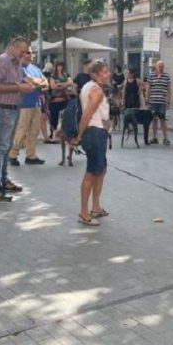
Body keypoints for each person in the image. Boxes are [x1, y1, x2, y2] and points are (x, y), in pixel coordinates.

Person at [0, 37, 33, 202]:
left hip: (14, 108)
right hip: (4, 109)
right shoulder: (2, 61)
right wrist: (18, 87)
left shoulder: (17, 62)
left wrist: (25, 83)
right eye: (23, 51)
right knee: (1, 147)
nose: (25, 54)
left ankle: (4, 179)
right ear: (13, 47)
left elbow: (15, 80)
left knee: (7, 147)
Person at [73, 61, 111, 226]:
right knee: (92, 172)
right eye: (104, 72)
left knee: (100, 170)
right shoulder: (97, 91)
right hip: (95, 132)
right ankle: (84, 212)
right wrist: (78, 135)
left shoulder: (87, 86)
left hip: (97, 132)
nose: (108, 74)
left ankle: (95, 207)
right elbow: (86, 115)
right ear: (96, 74)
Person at [9, 49, 47, 166]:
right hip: (24, 104)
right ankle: (12, 154)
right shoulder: (19, 68)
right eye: (28, 53)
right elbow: (30, 81)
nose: (31, 55)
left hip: (36, 103)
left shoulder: (36, 69)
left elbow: (46, 83)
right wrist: (39, 83)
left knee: (34, 131)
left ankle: (31, 155)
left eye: (32, 53)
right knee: (21, 130)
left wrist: (38, 83)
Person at [147, 60, 172, 145]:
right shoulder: (151, 76)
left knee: (163, 119)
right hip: (153, 101)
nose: (161, 68)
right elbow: (148, 88)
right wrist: (147, 100)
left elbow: (169, 89)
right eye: (159, 66)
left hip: (162, 102)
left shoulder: (166, 76)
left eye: (162, 66)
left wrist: (168, 101)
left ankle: (165, 138)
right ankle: (154, 137)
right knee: (154, 119)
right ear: (156, 67)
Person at [49, 61, 73, 137]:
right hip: (55, 98)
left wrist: (60, 84)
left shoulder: (66, 75)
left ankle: (64, 132)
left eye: (61, 66)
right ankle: (53, 132)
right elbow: (53, 86)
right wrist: (65, 85)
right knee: (54, 116)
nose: (60, 67)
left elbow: (70, 83)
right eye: (59, 66)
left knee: (66, 115)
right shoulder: (53, 76)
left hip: (65, 97)